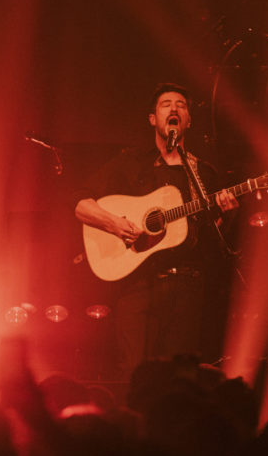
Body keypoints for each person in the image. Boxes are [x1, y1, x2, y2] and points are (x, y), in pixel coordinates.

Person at [74, 84, 238, 377]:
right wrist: (115, 223)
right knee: (133, 373)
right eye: (166, 104)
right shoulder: (129, 163)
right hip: (138, 284)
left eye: (181, 105)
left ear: (188, 120)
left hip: (188, 286)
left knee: (179, 376)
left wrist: (229, 215)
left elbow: (212, 240)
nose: (174, 109)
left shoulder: (203, 173)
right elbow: (81, 206)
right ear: (152, 118)